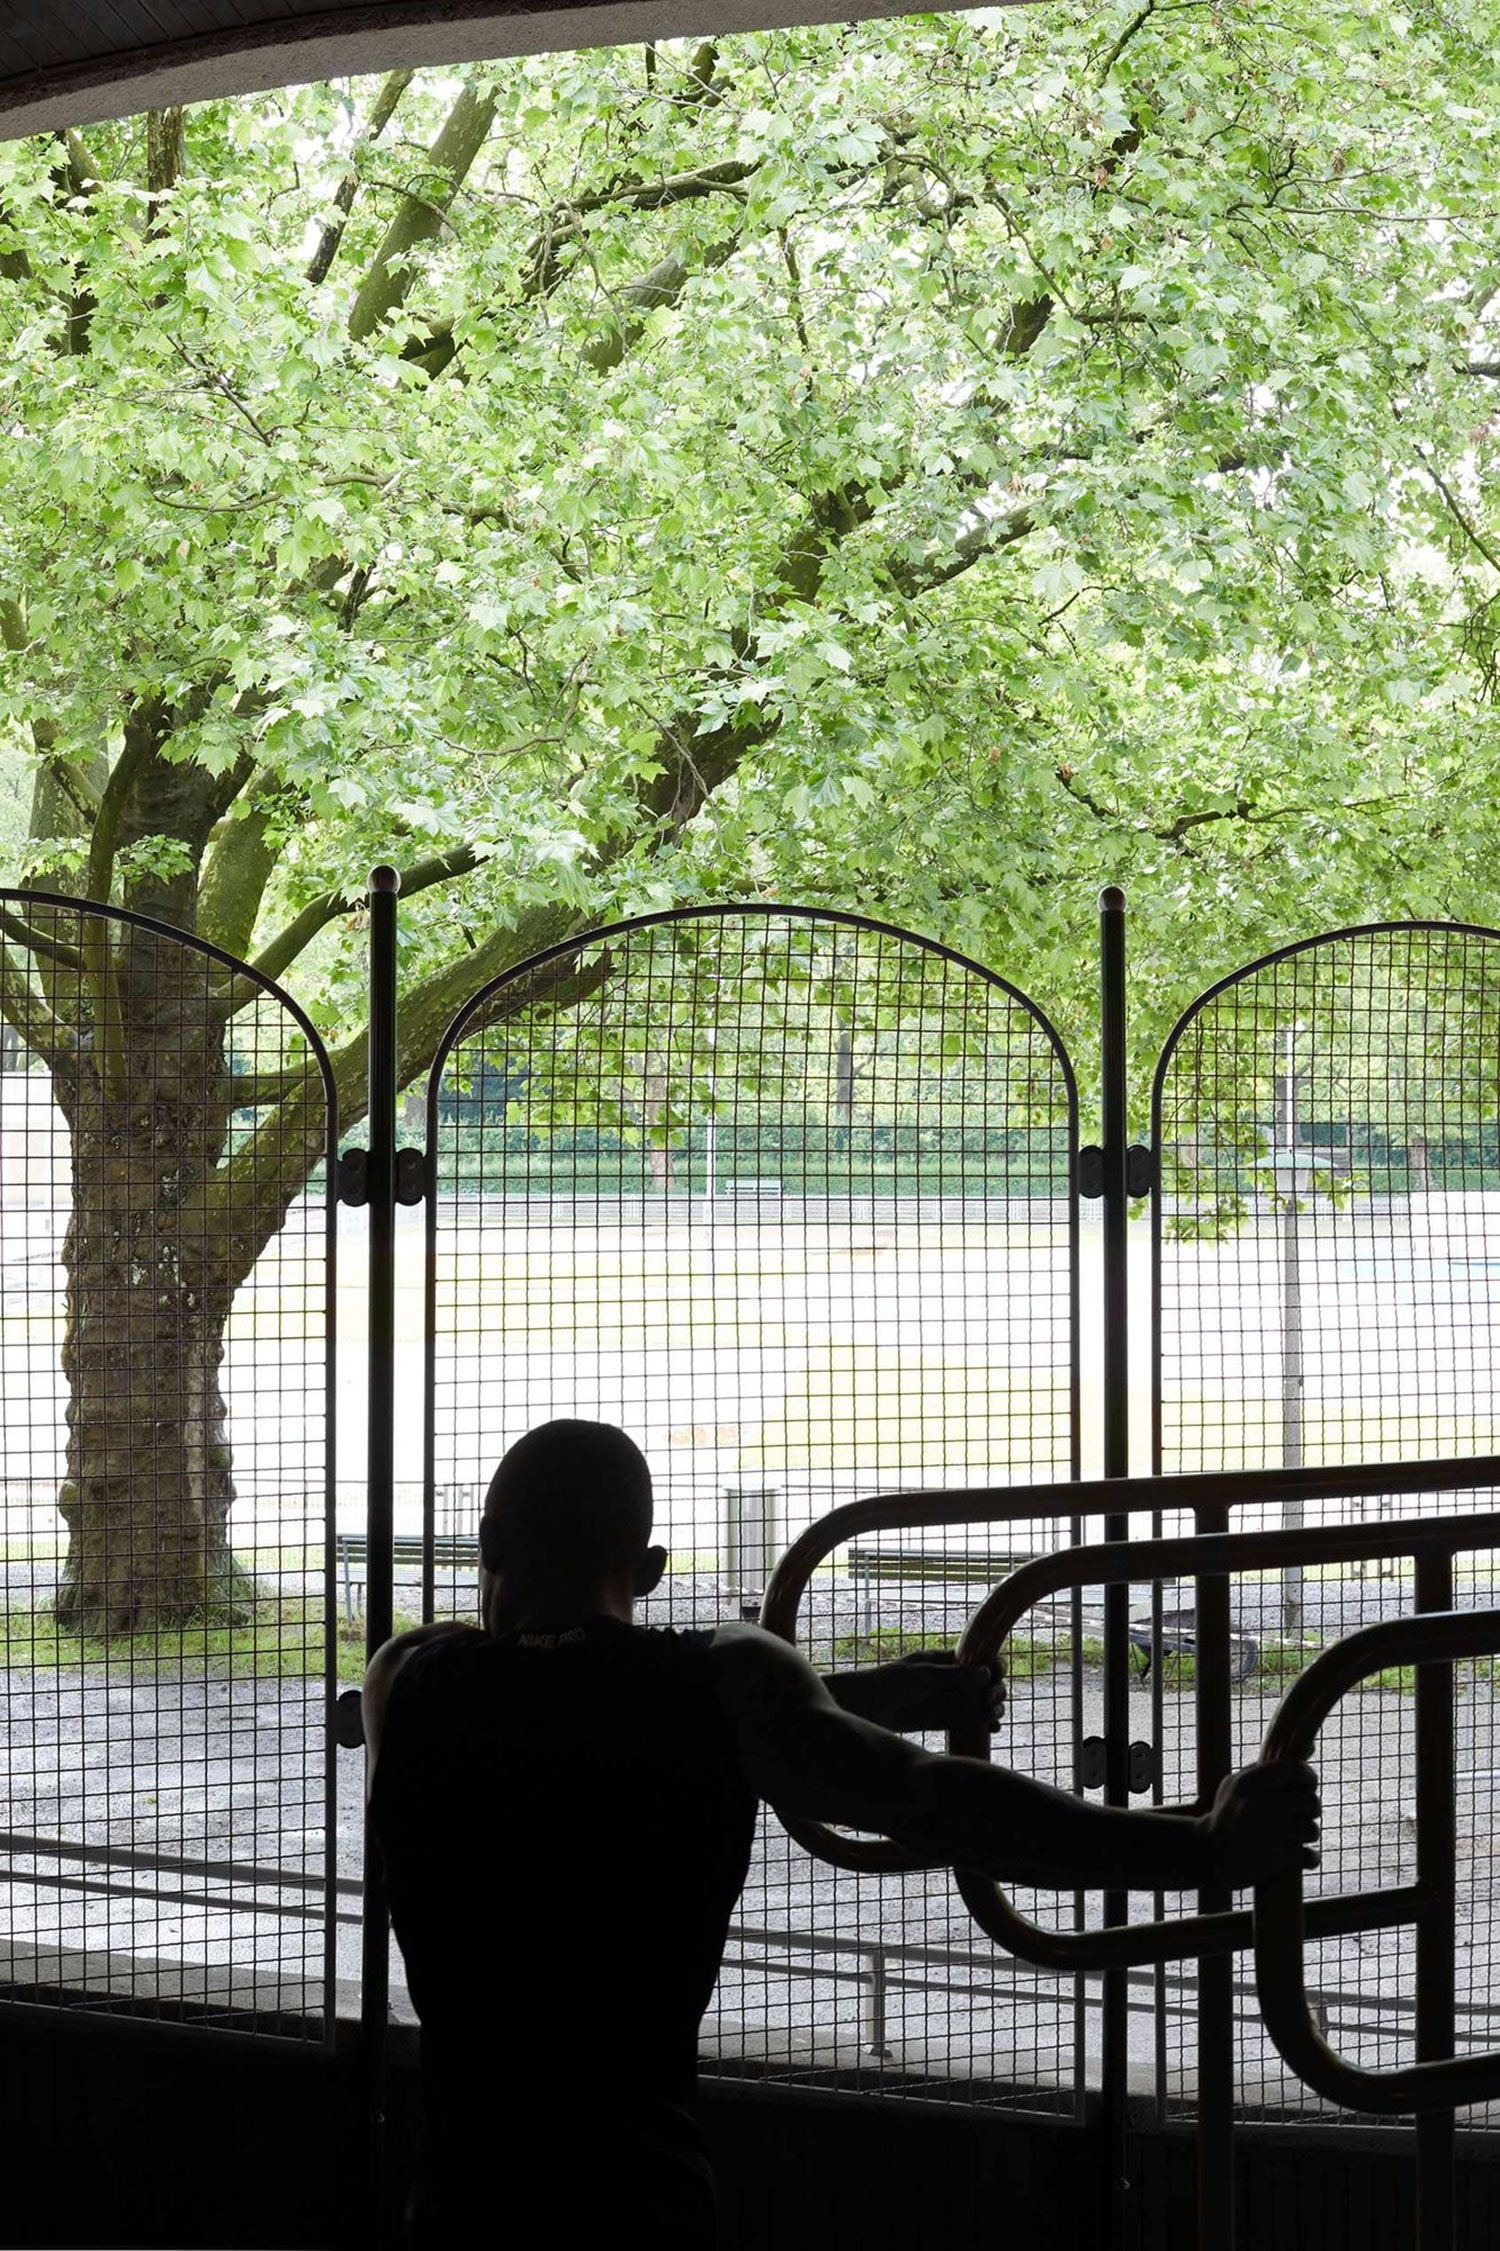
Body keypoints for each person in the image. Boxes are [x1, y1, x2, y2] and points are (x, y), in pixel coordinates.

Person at [365, 1420, 1319, 2247]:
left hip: (456, 2206)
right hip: (639, 2203)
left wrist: (864, 1696)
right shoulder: (720, 1684)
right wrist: (1202, 1846)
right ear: (652, 1570)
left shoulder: (405, 1684)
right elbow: (933, 1797)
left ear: (484, 1539)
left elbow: (556, 1701)